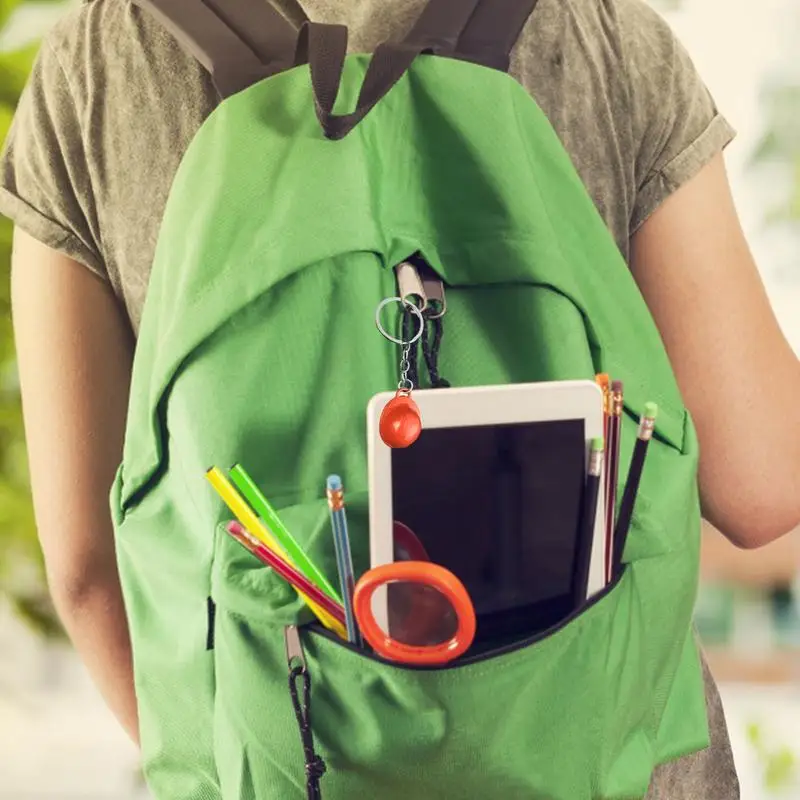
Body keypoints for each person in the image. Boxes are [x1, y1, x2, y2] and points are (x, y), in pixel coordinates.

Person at [2, 0, 799, 797]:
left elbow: (84, 570)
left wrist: (264, 752)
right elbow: (760, 483)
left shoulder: (95, 64)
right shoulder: (603, 36)